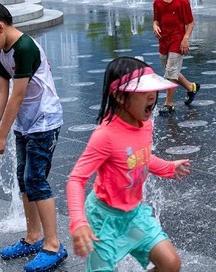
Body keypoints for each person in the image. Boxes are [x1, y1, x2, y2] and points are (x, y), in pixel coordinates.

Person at [0, 0, 67, 272]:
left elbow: (17, 95)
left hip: (44, 122)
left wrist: (1, 137)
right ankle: (33, 236)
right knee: (25, 178)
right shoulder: (1, 51)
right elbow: (1, 92)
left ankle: (54, 245)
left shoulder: (24, 48)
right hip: (26, 124)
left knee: (36, 179)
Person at [66, 57, 191, 271]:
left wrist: (167, 168)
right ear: (120, 97)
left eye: (153, 89)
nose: (153, 96)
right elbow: (76, 179)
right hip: (103, 221)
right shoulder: (105, 136)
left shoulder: (145, 125)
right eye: (144, 91)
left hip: (134, 216)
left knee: (170, 263)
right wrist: (78, 222)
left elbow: (139, 157)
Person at [153, 0, 200, 115]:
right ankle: (192, 87)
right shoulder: (157, 3)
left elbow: (190, 23)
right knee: (171, 71)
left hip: (177, 41)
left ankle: (168, 103)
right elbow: (156, 20)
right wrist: (155, 26)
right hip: (163, 41)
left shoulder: (182, 2)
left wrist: (185, 39)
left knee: (171, 71)